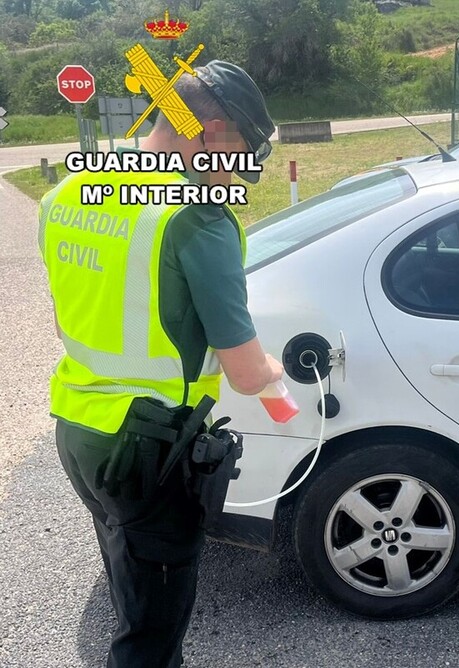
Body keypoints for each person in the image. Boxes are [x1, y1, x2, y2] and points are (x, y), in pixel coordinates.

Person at [38, 60, 284, 667]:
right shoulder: (196, 215)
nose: (242, 171)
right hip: (149, 449)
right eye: (244, 152)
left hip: (79, 430)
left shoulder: (70, 192)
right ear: (212, 131)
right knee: (150, 639)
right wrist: (276, 372)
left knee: (132, 594)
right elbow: (247, 372)